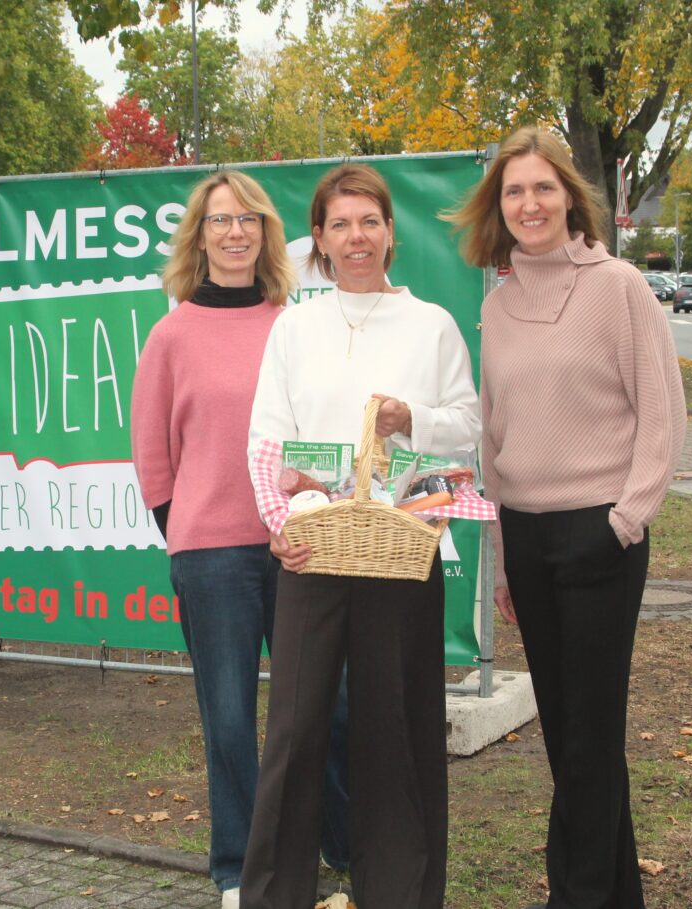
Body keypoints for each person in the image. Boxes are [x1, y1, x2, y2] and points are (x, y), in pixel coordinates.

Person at [447, 127, 686, 909]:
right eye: (514, 190)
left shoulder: (618, 286)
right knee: (569, 740)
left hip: (601, 534)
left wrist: (625, 519)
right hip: (527, 532)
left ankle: (574, 896)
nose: (529, 202)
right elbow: (494, 434)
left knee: (588, 739)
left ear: (569, 197)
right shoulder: (499, 304)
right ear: (499, 206)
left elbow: (664, 413)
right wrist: (504, 560)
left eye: (543, 187)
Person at [240, 163, 481, 909]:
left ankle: (400, 891)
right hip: (313, 552)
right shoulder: (295, 326)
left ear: (390, 232)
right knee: (295, 733)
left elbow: (469, 429)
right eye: (340, 224)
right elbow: (266, 440)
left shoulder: (432, 324)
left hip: (400, 555)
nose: (356, 237)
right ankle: (276, 895)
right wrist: (279, 530)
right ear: (318, 237)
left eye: (369, 221)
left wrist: (415, 420)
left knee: (396, 731)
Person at [130, 170, 349, 909]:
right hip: (211, 555)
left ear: (265, 233)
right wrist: (186, 529)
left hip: (301, 545)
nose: (234, 232)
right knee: (227, 714)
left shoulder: (297, 325)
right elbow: (152, 454)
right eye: (220, 220)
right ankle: (238, 865)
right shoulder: (171, 334)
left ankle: (339, 843)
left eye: (248, 219)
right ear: (200, 235)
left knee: (324, 702)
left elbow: (318, 430)